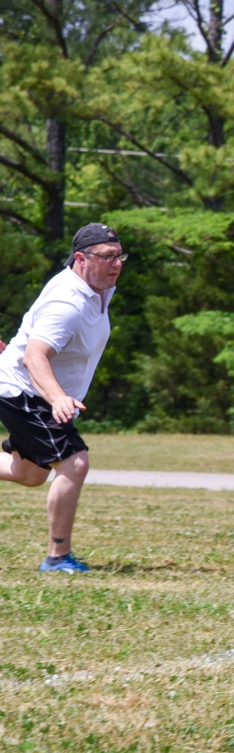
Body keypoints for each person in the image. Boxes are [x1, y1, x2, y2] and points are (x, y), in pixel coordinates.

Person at [0, 222, 126, 573]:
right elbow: (35, 356)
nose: (116, 264)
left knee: (29, 474)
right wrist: (57, 398)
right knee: (74, 463)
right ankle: (57, 557)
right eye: (107, 257)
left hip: (26, 385)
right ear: (81, 258)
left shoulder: (99, 286)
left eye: (119, 256)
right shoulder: (67, 302)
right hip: (26, 391)